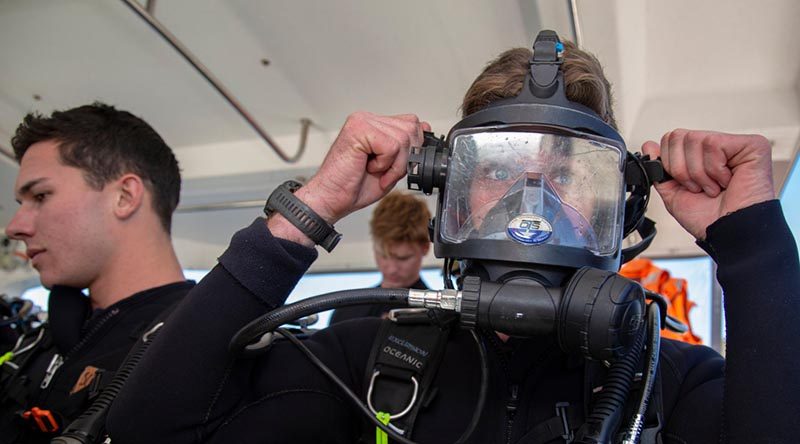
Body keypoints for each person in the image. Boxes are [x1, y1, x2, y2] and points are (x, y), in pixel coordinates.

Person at [106, 37, 799, 444]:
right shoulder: (368, 359)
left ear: (620, 205)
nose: (534, 204)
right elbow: (150, 429)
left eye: (568, 174)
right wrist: (312, 206)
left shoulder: (662, 387)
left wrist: (755, 247)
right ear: (451, 192)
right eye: (498, 170)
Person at [0, 103, 195, 443]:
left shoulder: (197, 350)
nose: (15, 228)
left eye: (41, 195)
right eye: (21, 204)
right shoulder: (39, 343)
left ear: (124, 196)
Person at [330, 191, 432, 324]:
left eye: (403, 258)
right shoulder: (347, 311)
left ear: (425, 248)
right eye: (383, 255)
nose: (391, 269)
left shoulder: (438, 315)